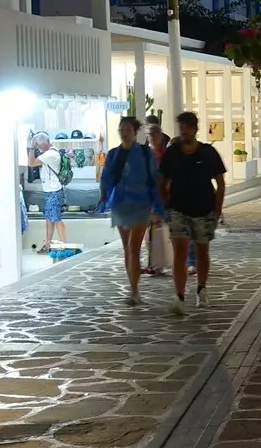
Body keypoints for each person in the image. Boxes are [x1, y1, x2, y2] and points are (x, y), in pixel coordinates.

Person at [159, 110, 229, 314]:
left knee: (202, 251)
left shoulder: (208, 153)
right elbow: (161, 180)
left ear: (195, 128)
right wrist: (165, 204)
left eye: (186, 127)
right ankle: (179, 295)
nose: (183, 131)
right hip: (178, 208)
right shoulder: (171, 154)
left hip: (204, 208)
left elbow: (220, 182)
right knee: (180, 252)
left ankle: (201, 289)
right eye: (180, 127)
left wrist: (217, 209)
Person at [98, 115, 164, 305]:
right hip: (120, 204)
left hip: (141, 204)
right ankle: (133, 287)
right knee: (127, 248)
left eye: (127, 129)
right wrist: (104, 197)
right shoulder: (113, 154)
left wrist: (157, 204)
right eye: (121, 129)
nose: (124, 133)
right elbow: (106, 178)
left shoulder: (144, 154)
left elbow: (154, 178)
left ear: (135, 132)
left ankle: (135, 290)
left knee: (133, 247)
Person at [144, 120, 172, 276]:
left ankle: (159, 263)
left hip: (165, 195)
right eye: (150, 135)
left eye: (155, 135)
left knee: (162, 229)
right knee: (152, 230)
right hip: (151, 196)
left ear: (161, 136)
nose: (152, 138)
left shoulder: (167, 154)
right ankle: (155, 263)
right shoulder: (145, 154)